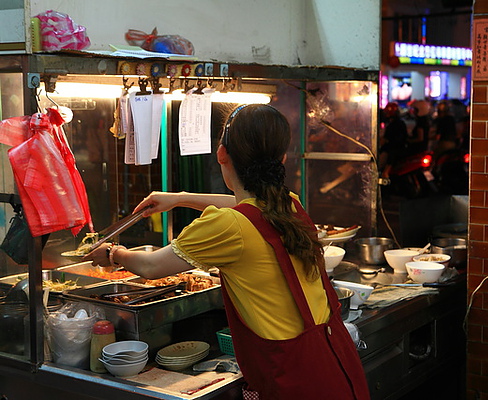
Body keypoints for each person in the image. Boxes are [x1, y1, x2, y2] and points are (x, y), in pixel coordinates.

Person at [83, 104, 370, 399]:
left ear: (221, 154)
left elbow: (151, 267)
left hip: (293, 380)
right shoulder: (289, 204)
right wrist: (180, 199)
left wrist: (113, 253)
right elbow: (243, 207)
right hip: (335, 369)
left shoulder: (228, 226)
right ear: (282, 158)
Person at [378, 102, 408, 177]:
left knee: (376, 167)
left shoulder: (393, 125)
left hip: (392, 152)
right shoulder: (398, 123)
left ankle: (385, 174)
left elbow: (384, 140)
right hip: (397, 149)